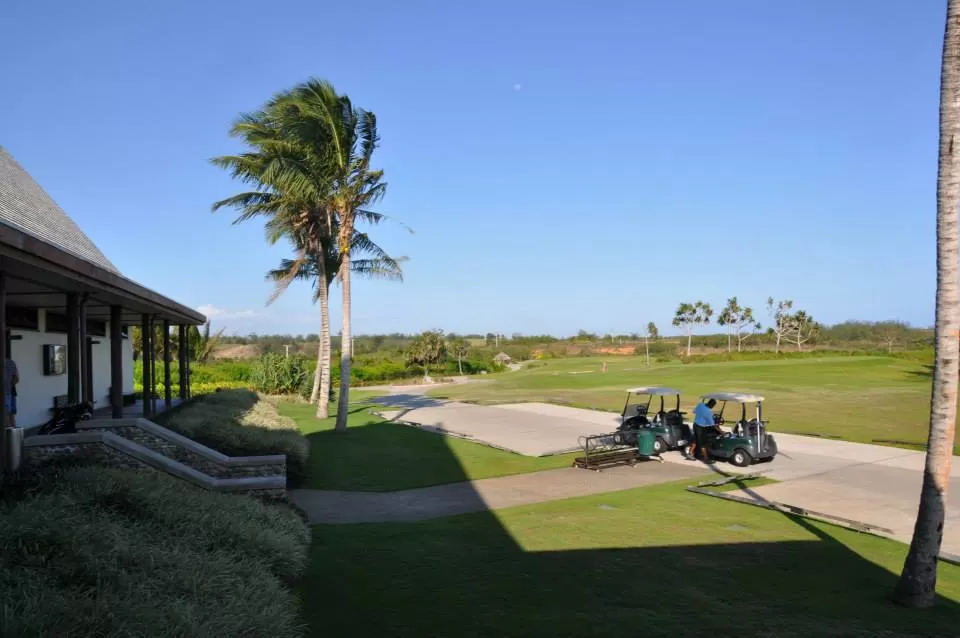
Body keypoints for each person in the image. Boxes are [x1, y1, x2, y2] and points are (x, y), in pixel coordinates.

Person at [690, 398, 718, 463]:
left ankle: (690, 454)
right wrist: (721, 431)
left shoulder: (701, 405)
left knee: (696, 440)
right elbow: (712, 424)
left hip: (695, 425)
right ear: (712, 406)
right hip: (700, 427)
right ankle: (706, 458)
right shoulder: (708, 412)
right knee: (702, 443)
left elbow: (694, 411)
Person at [6, 353, 18, 428]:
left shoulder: (10, 363)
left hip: (7, 393)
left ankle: (6, 437)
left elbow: (16, 378)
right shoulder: (11, 362)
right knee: (11, 414)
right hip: (11, 391)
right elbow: (16, 379)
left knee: (6, 414)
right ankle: (13, 436)